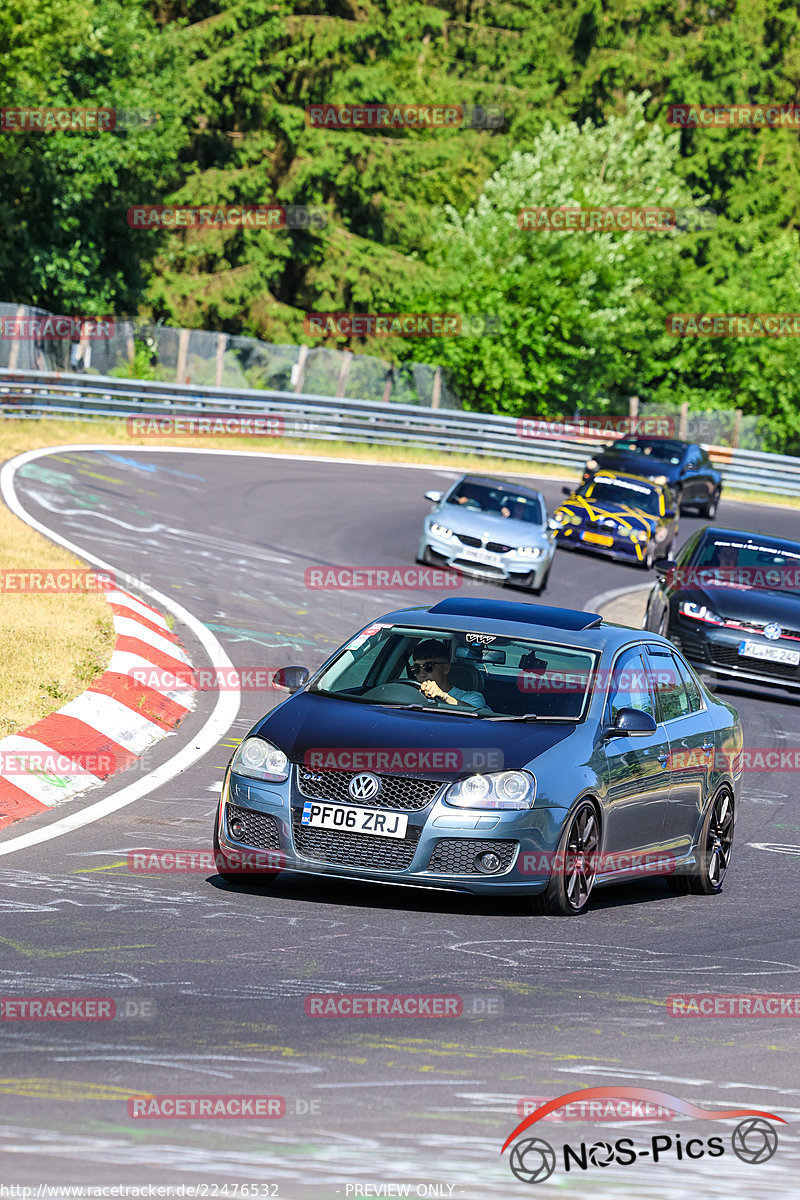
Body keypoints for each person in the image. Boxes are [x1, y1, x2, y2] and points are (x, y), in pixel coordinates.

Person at [409, 639, 485, 708]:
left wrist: (443, 697)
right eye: (416, 668)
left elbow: (474, 715)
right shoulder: (409, 695)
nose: (422, 674)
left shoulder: (472, 697)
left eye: (428, 667)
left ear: (446, 668)